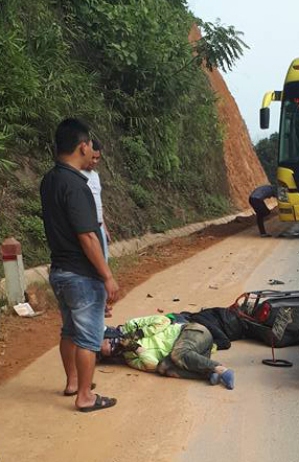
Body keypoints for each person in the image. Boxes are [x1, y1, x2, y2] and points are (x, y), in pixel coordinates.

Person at [41, 118, 120, 412]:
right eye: (89, 146)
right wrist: (107, 276)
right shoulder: (76, 184)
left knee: (69, 331)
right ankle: (85, 396)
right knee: (88, 336)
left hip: (59, 271)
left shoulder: (50, 180)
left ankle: (73, 381)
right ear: (82, 146)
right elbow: (87, 236)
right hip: (81, 274)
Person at [100, 314, 235, 389]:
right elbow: (153, 365)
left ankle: (220, 369)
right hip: (194, 354)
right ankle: (208, 372)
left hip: (192, 333)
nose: (115, 346)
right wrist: (136, 348)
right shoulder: (130, 358)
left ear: (112, 336)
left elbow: (163, 320)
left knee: (178, 354)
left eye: (111, 342)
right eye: (112, 349)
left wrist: (138, 334)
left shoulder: (131, 325)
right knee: (164, 368)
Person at [81, 139, 111, 262]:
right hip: (87, 228)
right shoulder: (77, 175)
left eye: (97, 158)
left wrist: (104, 227)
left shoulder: (95, 176)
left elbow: (98, 203)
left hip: (98, 226)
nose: (94, 161)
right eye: (92, 157)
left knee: (104, 261)